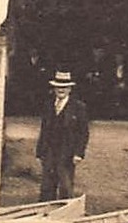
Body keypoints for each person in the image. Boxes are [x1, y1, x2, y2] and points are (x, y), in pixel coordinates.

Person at [36, 71, 90, 201]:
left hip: (67, 152)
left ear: (70, 89)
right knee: (47, 185)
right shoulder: (48, 105)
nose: (61, 90)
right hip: (49, 150)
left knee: (65, 184)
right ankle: (45, 212)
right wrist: (40, 151)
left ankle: (65, 211)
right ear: (54, 88)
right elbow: (44, 129)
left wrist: (79, 153)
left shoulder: (78, 107)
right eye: (58, 87)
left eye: (64, 87)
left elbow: (83, 133)